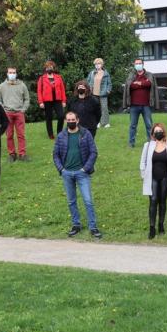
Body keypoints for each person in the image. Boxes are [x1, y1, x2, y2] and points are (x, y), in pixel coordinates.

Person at [52, 111, 102, 239]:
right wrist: (61, 169)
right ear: (65, 121)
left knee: (88, 201)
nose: (70, 122)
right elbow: (55, 154)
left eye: (73, 119)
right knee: (71, 201)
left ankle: (93, 227)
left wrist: (86, 168)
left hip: (82, 173)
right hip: (67, 173)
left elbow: (93, 152)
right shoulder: (61, 136)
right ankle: (76, 225)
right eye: (68, 120)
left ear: (77, 120)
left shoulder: (85, 134)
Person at [140, 123, 167, 239]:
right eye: (156, 131)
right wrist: (143, 174)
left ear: (164, 132)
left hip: (165, 178)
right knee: (153, 200)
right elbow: (143, 162)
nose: (158, 133)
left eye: (160, 130)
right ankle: (152, 227)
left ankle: (161, 225)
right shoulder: (147, 146)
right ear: (152, 134)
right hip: (152, 178)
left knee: (162, 202)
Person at [0, 66, 30, 162]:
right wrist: (3, 111)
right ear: (7, 74)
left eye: (14, 72)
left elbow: (27, 98)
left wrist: (23, 109)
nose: (12, 74)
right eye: (10, 72)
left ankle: (22, 154)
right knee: (9, 135)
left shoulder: (22, 85)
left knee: (21, 135)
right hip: (7, 114)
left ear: (16, 73)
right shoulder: (2, 86)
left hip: (19, 113)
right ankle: (12, 154)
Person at [123, 59, 159, 148]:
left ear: (143, 64)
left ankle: (151, 142)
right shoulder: (131, 75)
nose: (138, 65)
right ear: (134, 65)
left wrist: (138, 83)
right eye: (136, 63)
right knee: (132, 125)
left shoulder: (149, 75)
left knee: (149, 125)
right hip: (133, 105)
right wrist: (142, 83)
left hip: (146, 104)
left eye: (140, 63)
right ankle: (131, 143)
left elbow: (149, 84)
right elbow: (130, 85)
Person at [37, 60, 67, 139]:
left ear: (53, 68)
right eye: (47, 67)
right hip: (47, 100)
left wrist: (64, 101)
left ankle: (59, 132)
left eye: (51, 67)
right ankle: (50, 134)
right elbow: (39, 91)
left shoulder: (58, 77)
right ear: (45, 69)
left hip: (57, 99)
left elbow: (62, 89)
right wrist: (40, 102)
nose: (49, 68)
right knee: (49, 117)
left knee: (61, 116)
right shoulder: (42, 78)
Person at [86, 58, 112, 128]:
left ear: (102, 64)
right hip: (93, 93)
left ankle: (105, 123)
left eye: (99, 64)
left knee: (104, 108)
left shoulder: (106, 73)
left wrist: (108, 90)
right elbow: (87, 81)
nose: (97, 65)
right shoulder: (92, 73)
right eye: (96, 64)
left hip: (103, 93)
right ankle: (97, 122)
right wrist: (89, 89)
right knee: (96, 108)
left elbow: (109, 84)